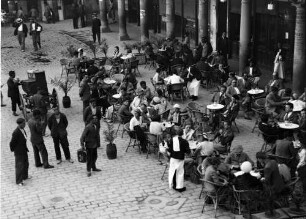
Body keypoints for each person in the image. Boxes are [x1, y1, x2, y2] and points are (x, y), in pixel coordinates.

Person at [168, 126, 190, 192]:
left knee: (172, 171)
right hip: (180, 158)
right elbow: (187, 151)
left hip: (173, 158)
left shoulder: (171, 140)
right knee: (180, 172)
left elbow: (169, 150)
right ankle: (179, 187)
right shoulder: (184, 141)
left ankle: (172, 184)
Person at [10, 118, 29, 186]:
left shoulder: (22, 130)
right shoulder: (16, 132)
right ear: (19, 124)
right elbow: (12, 143)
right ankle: (19, 181)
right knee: (19, 166)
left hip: (24, 149)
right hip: (19, 152)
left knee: (26, 163)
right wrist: (14, 150)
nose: (25, 124)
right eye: (23, 123)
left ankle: (25, 176)